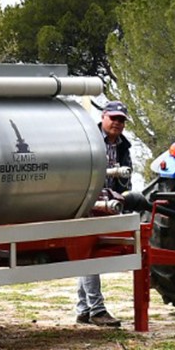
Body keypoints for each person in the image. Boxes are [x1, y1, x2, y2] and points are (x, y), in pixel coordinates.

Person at [76, 100, 134, 327]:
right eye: (114, 118)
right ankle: (97, 310)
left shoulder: (124, 146)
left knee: (88, 255)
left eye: (122, 120)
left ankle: (83, 310)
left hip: (109, 205)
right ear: (103, 117)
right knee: (89, 256)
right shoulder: (88, 139)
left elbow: (125, 179)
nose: (117, 123)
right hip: (88, 204)